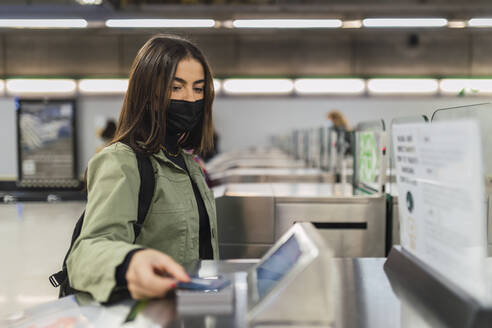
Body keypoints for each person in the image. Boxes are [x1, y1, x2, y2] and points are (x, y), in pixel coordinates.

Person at [66, 34, 219, 303]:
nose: (190, 99)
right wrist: (131, 262)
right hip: (147, 312)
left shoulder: (186, 162)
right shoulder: (122, 161)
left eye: (198, 88)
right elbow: (87, 250)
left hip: (188, 308)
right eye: (176, 87)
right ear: (148, 91)